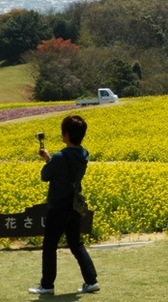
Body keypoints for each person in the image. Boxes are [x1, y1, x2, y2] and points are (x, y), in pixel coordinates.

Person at [29, 115, 100, 295]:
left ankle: (47, 285)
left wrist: (49, 160)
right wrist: (51, 159)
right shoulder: (84, 154)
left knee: (50, 245)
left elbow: (45, 175)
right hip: (74, 206)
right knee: (76, 243)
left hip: (59, 206)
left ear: (66, 134)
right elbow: (65, 168)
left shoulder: (60, 156)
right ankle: (91, 281)